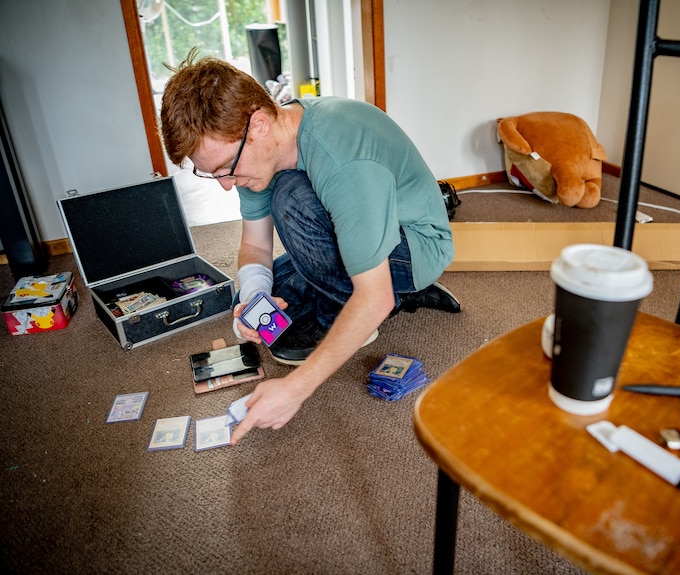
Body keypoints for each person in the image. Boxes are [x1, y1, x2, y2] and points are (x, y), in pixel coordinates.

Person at [159, 50, 460, 445]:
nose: (226, 184)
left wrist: (293, 389)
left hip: (413, 244)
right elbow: (254, 243)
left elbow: (373, 296)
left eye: (225, 169)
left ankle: (403, 293)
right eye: (210, 174)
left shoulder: (342, 160)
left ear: (260, 124)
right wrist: (253, 297)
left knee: (291, 197)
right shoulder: (265, 150)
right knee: (252, 299)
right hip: (355, 230)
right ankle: (354, 295)